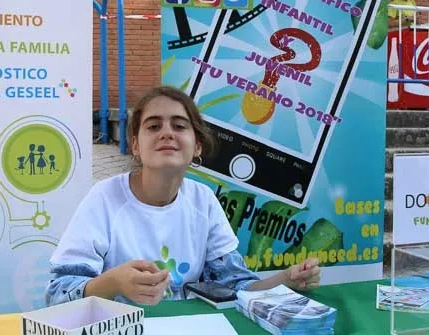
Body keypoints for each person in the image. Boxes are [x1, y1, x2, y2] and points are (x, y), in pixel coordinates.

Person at [45, 85, 321, 306]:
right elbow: (58, 293)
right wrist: (114, 282)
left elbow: (235, 285)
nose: (167, 133)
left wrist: (285, 280)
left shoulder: (203, 200)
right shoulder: (104, 198)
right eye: (153, 126)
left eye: (179, 126)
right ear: (135, 145)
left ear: (197, 145)